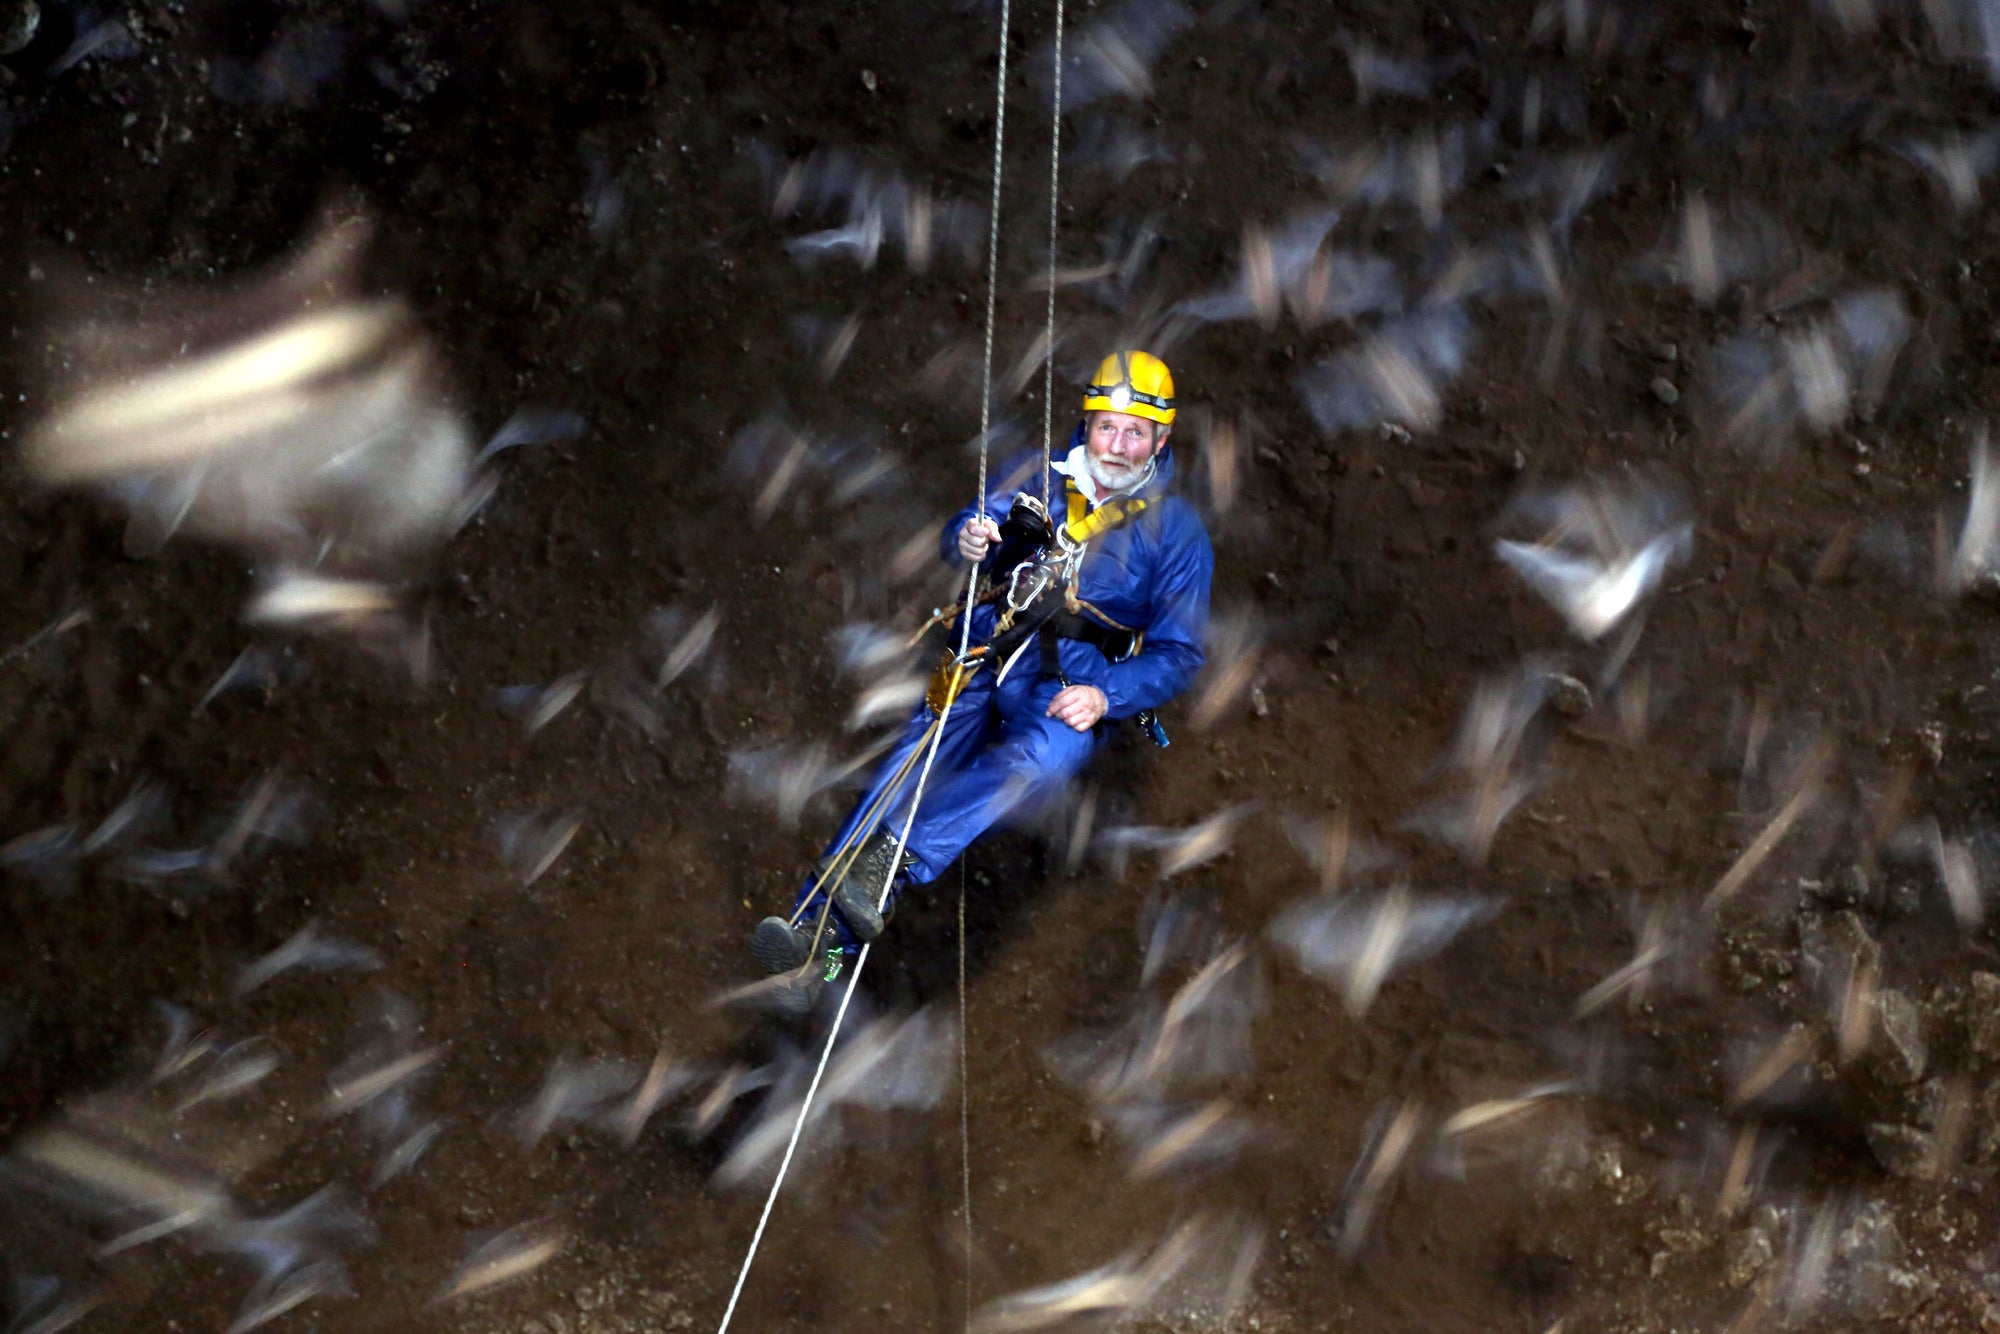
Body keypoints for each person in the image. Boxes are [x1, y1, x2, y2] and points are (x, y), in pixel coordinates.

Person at [748, 350, 1215, 1014]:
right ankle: (814, 944)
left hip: (1070, 674)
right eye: (1106, 427)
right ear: (1087, 423)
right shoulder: (1039, 470)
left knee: (1043, 761)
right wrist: (964, 540)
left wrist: (1109, 694)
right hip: (989, 645)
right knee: (905, 773)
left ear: (1160, 440)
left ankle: (901, 859)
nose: (1117, 444)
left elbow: (1180, 653)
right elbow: (968, 530)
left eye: (1134, 432)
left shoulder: (1177, 533)